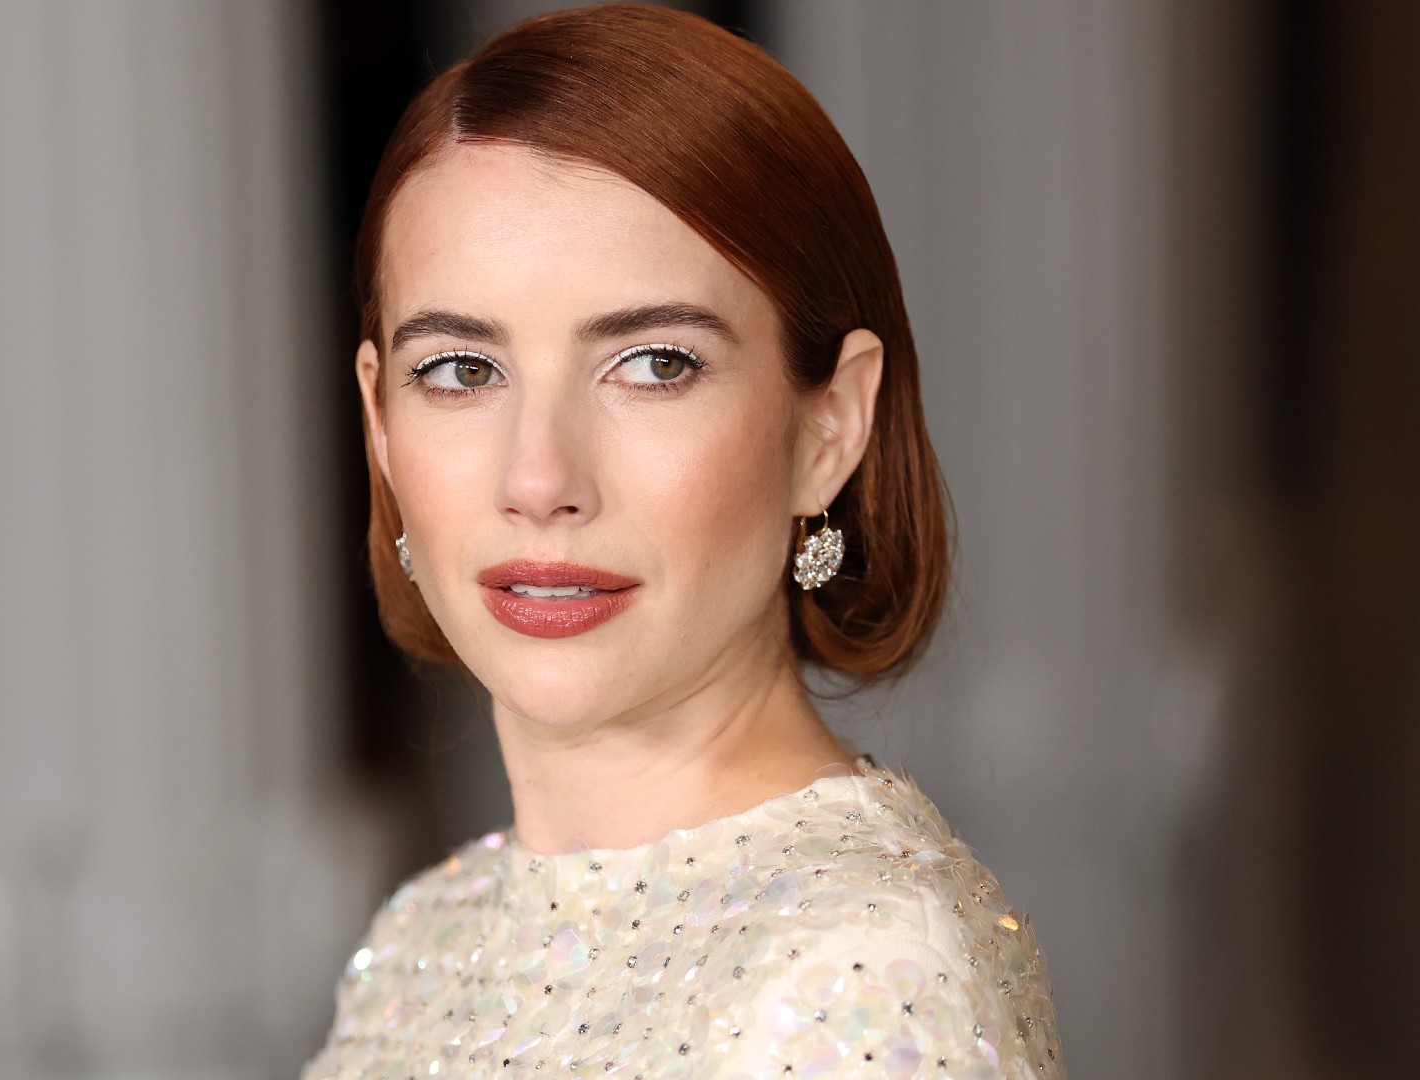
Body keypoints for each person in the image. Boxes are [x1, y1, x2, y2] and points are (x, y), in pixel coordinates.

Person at [302, 6, 1061, 1077]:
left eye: (655, 364)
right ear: (381, 423)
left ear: (830, 426)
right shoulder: (420, 942)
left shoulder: (862, 982)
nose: (539, 481)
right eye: (462, 371)